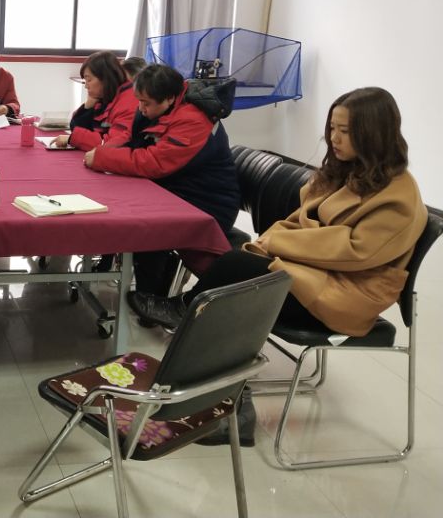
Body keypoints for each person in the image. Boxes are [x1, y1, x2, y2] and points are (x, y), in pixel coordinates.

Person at [128, 86, 427, 445]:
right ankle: (218, 391)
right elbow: (302, 222)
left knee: (233, 285)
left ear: (374, 134)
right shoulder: (348, 173)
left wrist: (278, 244)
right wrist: (274, 243)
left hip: (345, 295)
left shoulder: (398, 194)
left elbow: (356, 251)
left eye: (346, 131)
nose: (334, 138)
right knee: (232, 286)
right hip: (316, 274)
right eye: (332, 128)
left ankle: (218, 382)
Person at [84, 63, 240, 295]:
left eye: (145, 103)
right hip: (179, 189)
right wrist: (103, 151)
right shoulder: (165, 108)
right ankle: (147, 288)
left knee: (147, 226)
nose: (141, 108)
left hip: (207, 203)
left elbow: (154, 163)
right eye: (139, 101)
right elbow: (133, 142)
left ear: (169, 98)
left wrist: (102, 158)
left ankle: (150, 297)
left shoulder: (193, 120)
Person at [53, 53, 145, 150]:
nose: (86, 86)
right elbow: (77, 129)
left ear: (105, 79)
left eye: (89, 80)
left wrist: (71, 138)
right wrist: (88, 106)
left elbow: (112, 144)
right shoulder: (107, 96)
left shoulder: (128, 102)